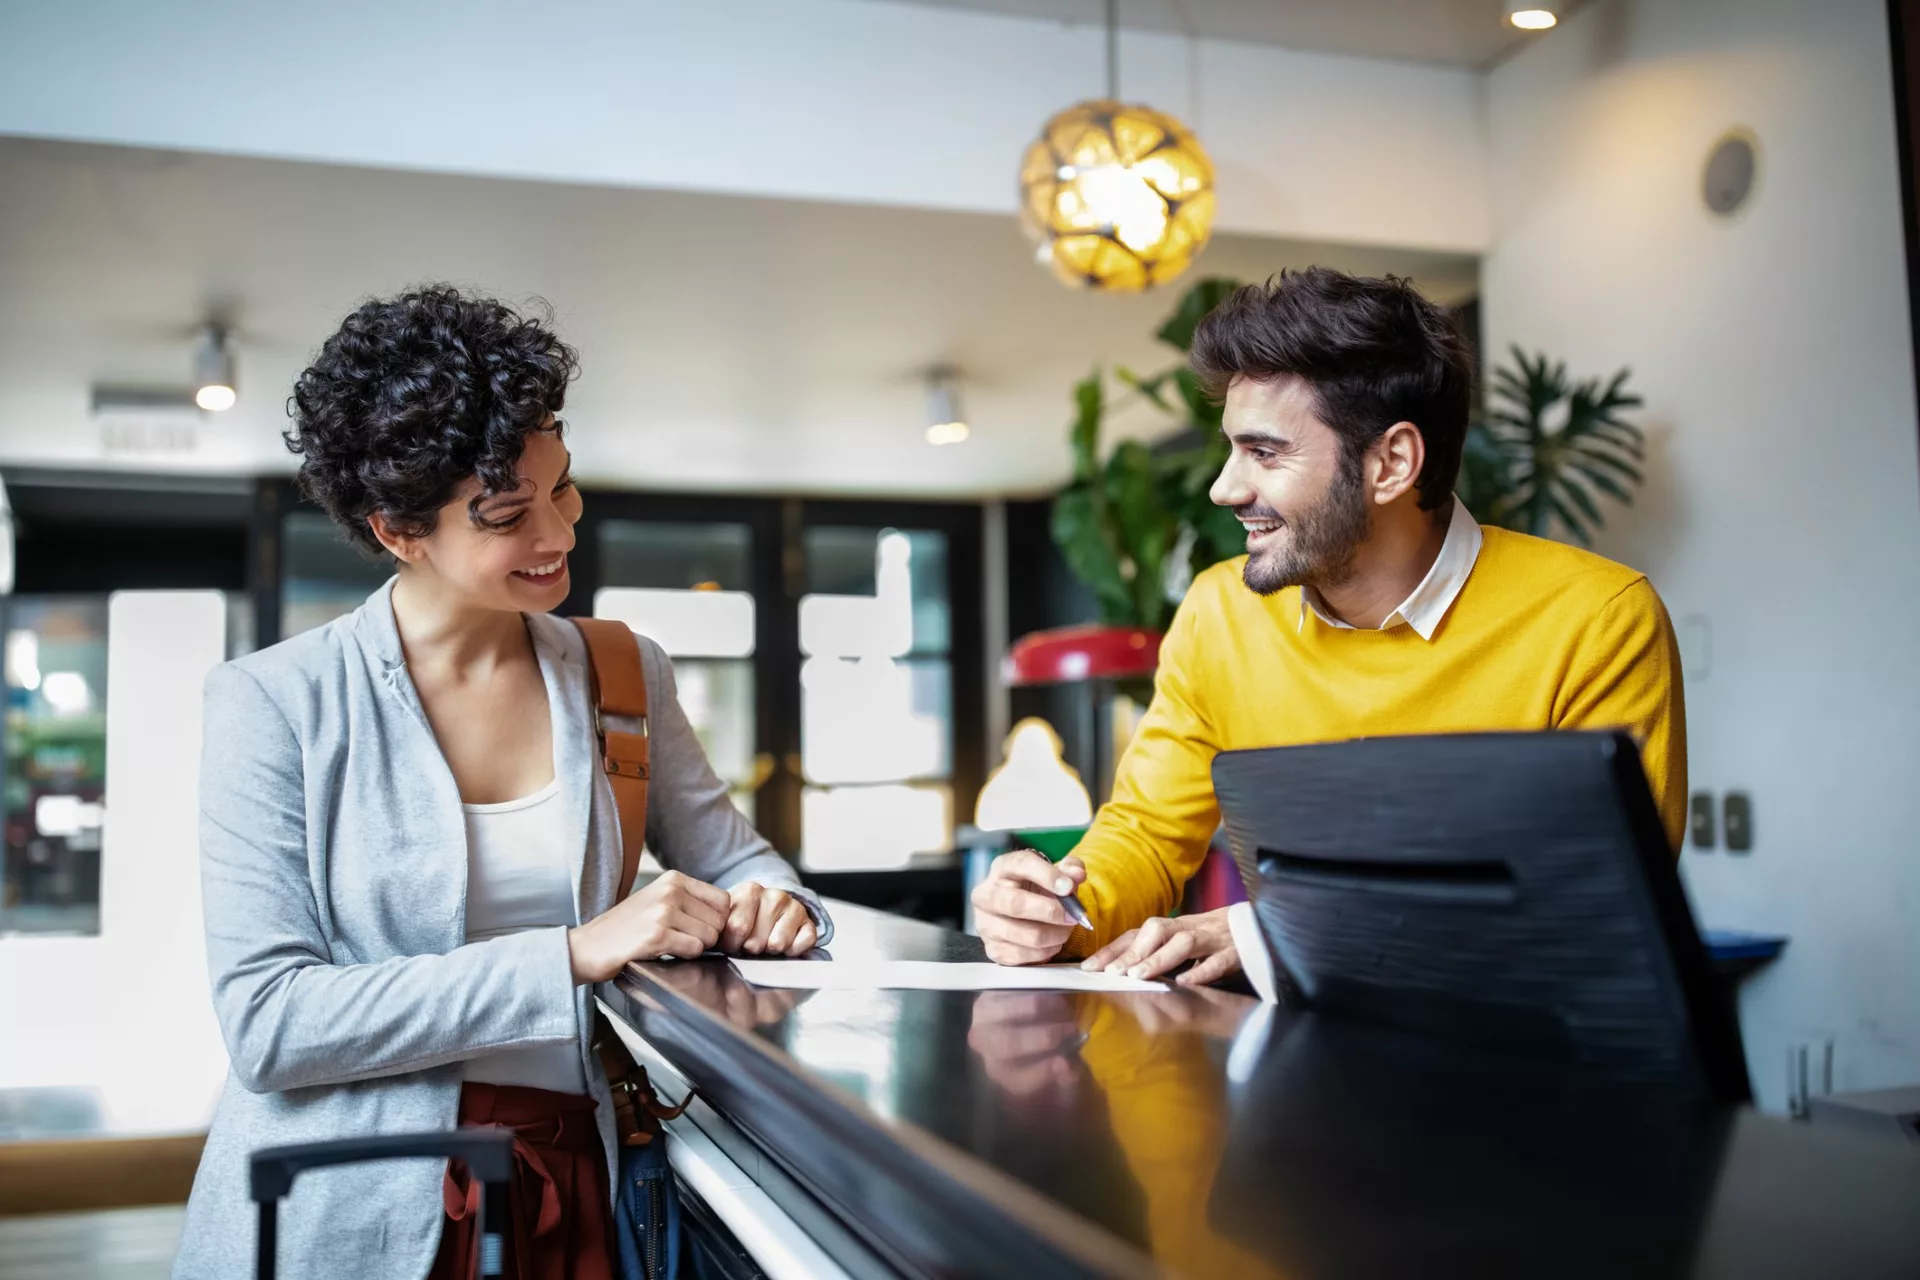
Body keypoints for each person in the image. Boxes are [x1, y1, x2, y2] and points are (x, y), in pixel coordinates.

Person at [173, 287, 831, 1280]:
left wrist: (780, 906)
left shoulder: (621, 670)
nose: (559, 533)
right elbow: (272, 1021)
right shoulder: (273, 703)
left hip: (578, 1172)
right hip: (353, 1200)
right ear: (400, 529)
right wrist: (569, 953)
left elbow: (740, 856)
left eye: (562, 489)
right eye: (508, 515)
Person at [971, 267, 1685, 984]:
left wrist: (1276, 930)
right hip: (1299, 1060)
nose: (1225, 487)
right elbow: (1149, 834)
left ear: (1391, 463)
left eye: (1265, 452)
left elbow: (1596, 906)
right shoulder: (1220, 613)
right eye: (1231, 448)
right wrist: (1057, 907)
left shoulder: (1597, 619)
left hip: (1531, 1072)